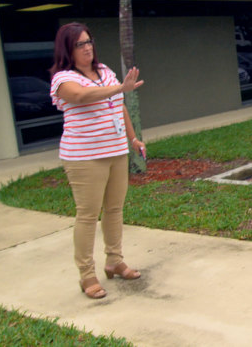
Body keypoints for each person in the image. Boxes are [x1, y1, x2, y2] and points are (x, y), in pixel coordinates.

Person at [49, 22, 145, 299]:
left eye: (89, 41)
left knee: (114, 209)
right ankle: (86, 274)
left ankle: (114, 261)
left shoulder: (105, 72)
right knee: (88, 215)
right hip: (84, 157)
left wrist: (133, 139)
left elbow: (120, 106)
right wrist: (118, 89)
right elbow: (79, 97)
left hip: (116, 151)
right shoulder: (63, 78)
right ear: (68, 48)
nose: (87, 47)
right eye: (80, 44)